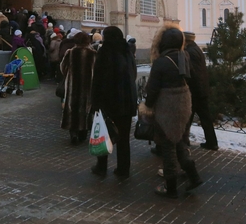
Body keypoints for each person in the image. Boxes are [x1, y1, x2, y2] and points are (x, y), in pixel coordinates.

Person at [145, 25, 203, 198]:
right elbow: (191, 78)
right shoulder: (184, 56)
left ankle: (170, 187)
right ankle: (193, 176)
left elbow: (153, 88)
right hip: (183, 102)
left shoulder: (161, 61)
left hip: (167, 105)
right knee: (178, 140)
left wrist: (148, 105)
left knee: (168, 145)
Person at [89, 26, 137, 179]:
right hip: (127, 101)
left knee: (104, 133)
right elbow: (133, 73)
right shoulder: (128, 51)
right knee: (123, 138)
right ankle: (124, 169)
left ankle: (101, 167)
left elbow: (98, 80)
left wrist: (95, 103)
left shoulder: (105, 52)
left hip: (109, 102)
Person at [183, 31, 218, 151]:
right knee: (205, 118)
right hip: (201, 89)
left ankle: (183, 141)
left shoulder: (189, 52)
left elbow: (191, 72)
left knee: (188, 117)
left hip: (195, 91)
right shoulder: (196, 49)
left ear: (185, 40)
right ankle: (212, 142)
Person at [60, 32, 96, 145]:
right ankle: (83, 133)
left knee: (72, 107)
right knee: (86, 108)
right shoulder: (93, 54)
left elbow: (62, 67)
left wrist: (69, 75)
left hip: (72, 85)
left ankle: (73, 133)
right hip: (87, 86)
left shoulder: (70, 52)